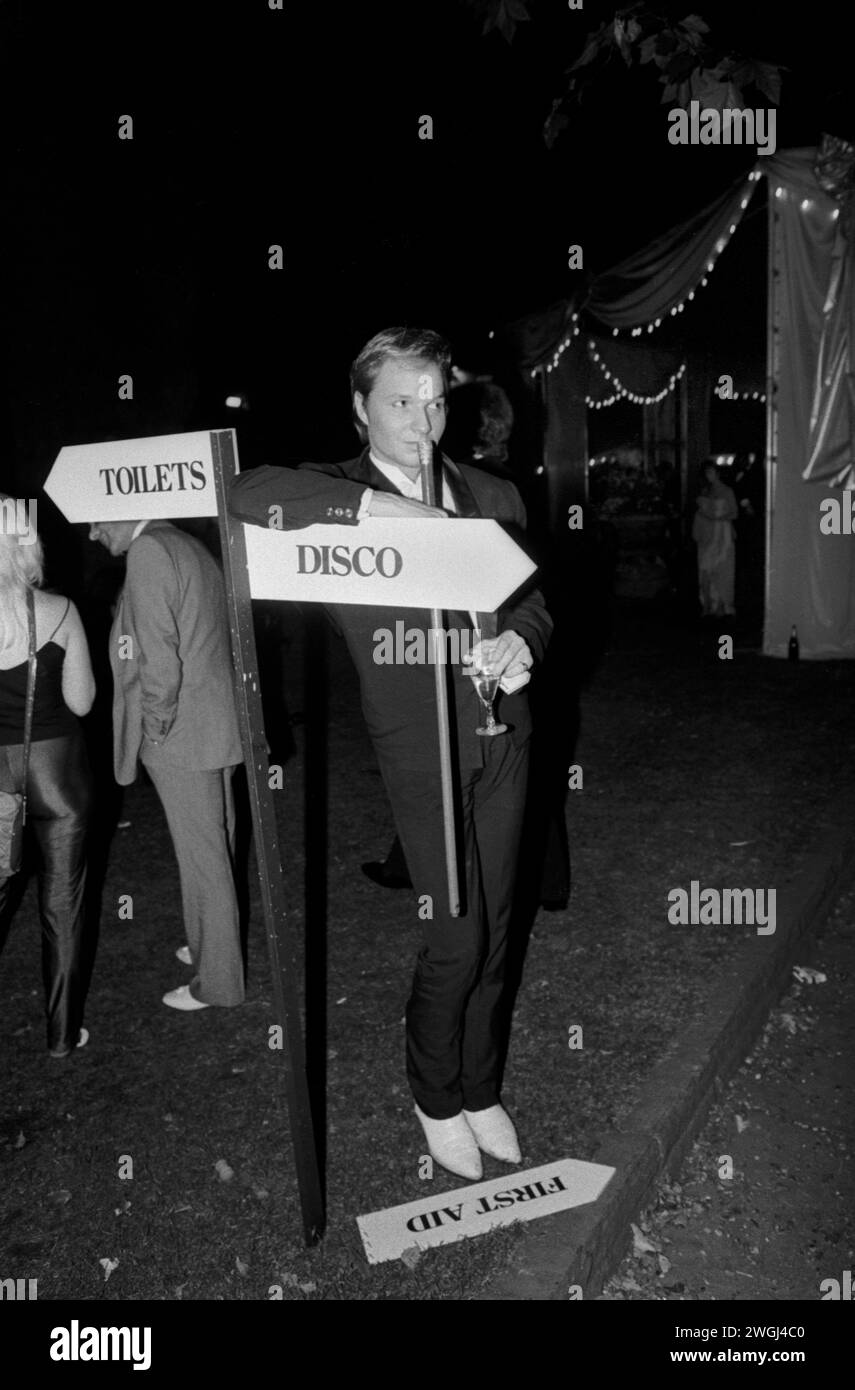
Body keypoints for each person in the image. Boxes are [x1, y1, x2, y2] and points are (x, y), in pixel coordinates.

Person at [229, 326, 553, 1181]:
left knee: (497, 929)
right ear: (361, 407)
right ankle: (434, 1095)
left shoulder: (493, 494)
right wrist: (389, 511)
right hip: (419, 750)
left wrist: (523, 643)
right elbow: (240, 492)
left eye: (435, 400)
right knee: (452, 935)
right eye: (401, 402)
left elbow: (532, 602)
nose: (423, 421)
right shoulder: (331, 494)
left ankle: (479, 1087)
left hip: (506, 737)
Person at [87, 517, 244, 1012]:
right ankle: (209, 943)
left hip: (184, 731)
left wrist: (155, 725)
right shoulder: (183, 542)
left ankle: (217, 983)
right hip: (216, 720)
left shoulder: (148, 551)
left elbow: (159, 656)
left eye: (95, 521)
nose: (93, 534)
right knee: (219, 846)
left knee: (204, 860)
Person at [0, 500, 95, 1058]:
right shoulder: (59, 610)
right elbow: (81, 703)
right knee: (62, 905)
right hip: (57, 774)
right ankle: (60, 1036)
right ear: (28, 543)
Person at [692, 459, 738, 617]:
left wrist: (718, 518)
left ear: (717, 473)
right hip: (707, 535)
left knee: (721, 569)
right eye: (707, 473)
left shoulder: (727, 491)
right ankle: (707, 604)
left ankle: (720, 605)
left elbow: (734, 513)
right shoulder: (706, 491)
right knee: (705, 569)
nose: (709, 475)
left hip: (722, 535)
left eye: (711, 472)